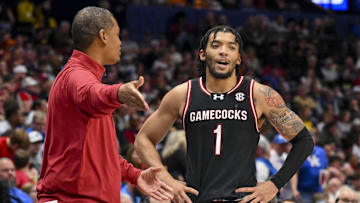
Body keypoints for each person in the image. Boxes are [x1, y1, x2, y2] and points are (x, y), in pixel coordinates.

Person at [135, 25, 314, 203]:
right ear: (203, 54)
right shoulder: (182, 95)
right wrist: (168, 181)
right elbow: (143, 140)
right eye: (216, 45)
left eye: (231, 47)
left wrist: (274, 184)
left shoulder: (259, 94)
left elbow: (304, 140)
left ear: (238, 59)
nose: (224, 51)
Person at [36, 6, 173, 203]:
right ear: (103, 36)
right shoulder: (76, 75)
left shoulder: (81, 76)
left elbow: (100, 155)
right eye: (117, 35)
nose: (120, 42)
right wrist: (117, 92)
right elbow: (90, 95)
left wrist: (135, 175)